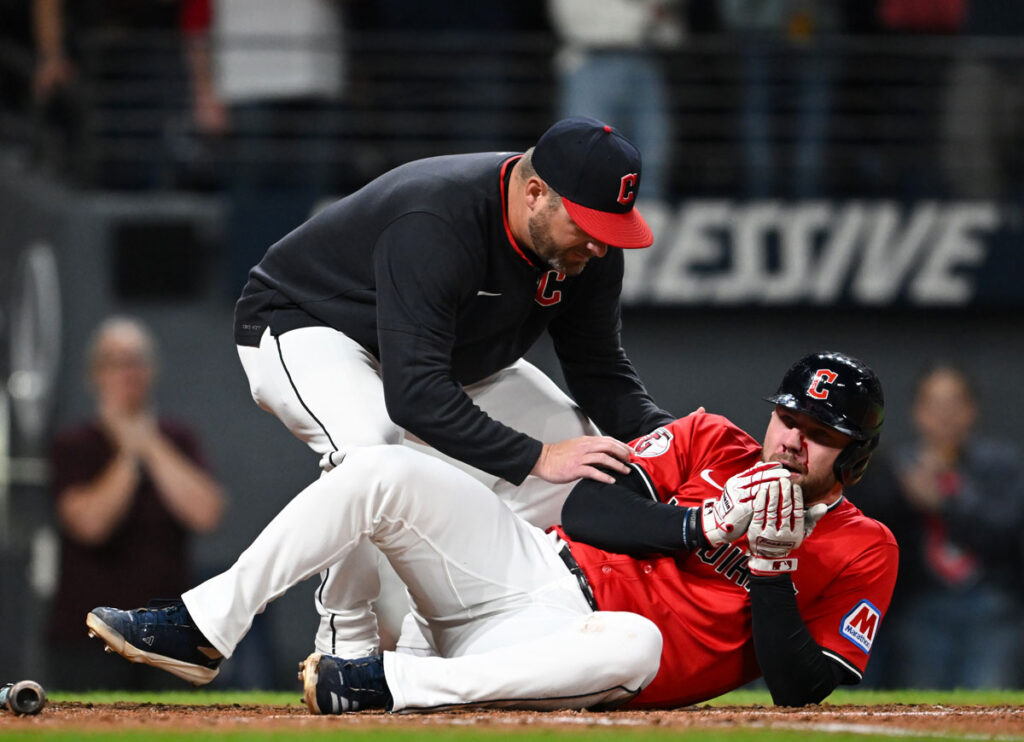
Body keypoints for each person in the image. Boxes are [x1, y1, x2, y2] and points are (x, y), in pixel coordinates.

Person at [86, 351, 897, 711]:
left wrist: (769, 565)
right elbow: (585, 509)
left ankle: (387, 683)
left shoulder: (866, 548)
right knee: (378, 465)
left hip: (585, 651)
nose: (791, 438)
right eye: (787, 416)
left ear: (851, 459)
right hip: (527, 573)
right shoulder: (712, 439)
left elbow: (799, 686)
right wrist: (700, 521)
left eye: (818, 433)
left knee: (636, 644)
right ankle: (206, 624)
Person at [229, 115, 675, 659]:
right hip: (308, 325)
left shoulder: (587, 245)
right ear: (535, 194)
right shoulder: (440, 214)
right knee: (373, 449)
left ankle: (434, 638)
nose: (601, 246)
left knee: (581, 450)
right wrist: (536, 455)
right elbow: (414, 395)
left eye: (610, 228)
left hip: (440, 361)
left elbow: (598, 369)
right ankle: (345, 635)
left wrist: (676, 439)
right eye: (586, 225)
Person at [46, 316, 225, 690]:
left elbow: (207, 512)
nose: (128, 372)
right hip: (87, 639)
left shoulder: (177, 439)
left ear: (152, 370)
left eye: (136, 360)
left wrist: (150, 444)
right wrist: (129, 453)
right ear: (95, 373)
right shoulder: (74, 445)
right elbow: (91, 525)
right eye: (116, 361)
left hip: (166, 638)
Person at [854, 362, 1024, 689]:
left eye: (954, 404)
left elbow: (1007, 532)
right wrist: (903, 497)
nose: (944, 415)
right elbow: (871, 537)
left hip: (991, 608)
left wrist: (946, 504)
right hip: (920, 608)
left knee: (990, 708)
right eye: (934, 405)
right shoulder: (892, 466)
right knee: (923, 710)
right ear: (917, 411)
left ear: (972, 410)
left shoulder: (1001, 466)